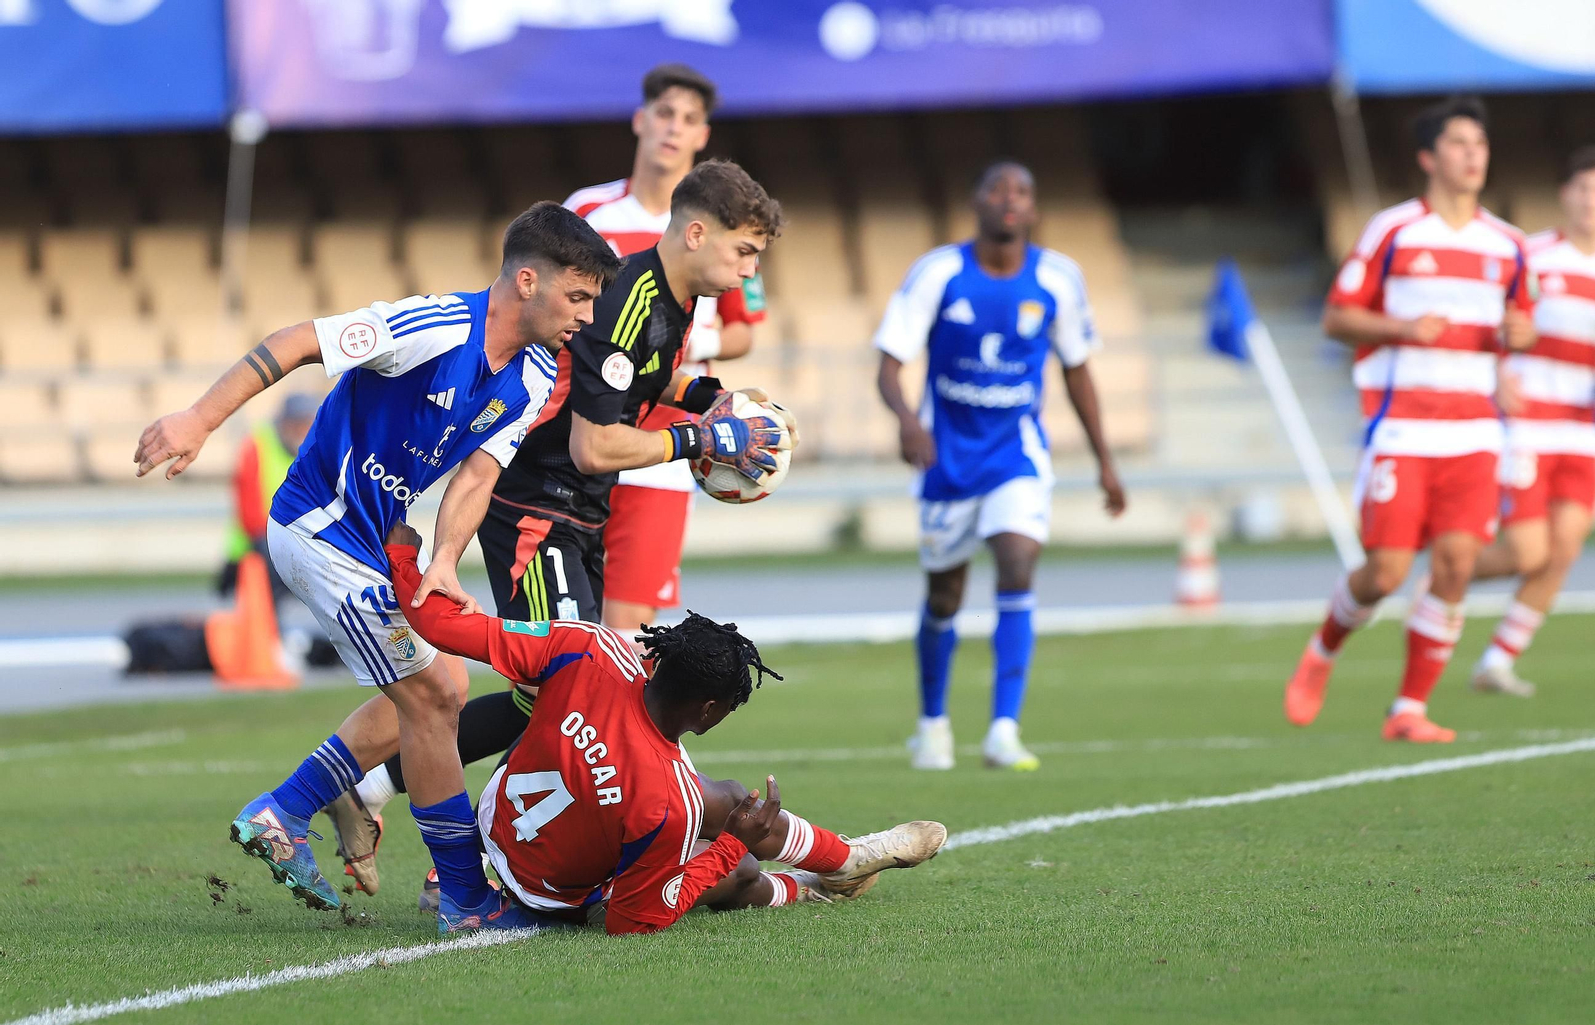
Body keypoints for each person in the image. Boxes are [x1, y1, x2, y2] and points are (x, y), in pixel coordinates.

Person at [133, 202, 622, 931]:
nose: (586, 316)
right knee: (433, 698)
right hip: (316, 528)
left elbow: (477, 475)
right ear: (528, 281)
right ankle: (461, 896)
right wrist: (199, 419)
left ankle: (285, 808)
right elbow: (297, 340)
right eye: (579, 296)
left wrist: (447, 561)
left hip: (372, 543)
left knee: (445, 683)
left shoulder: (533, 373)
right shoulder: (432, 327)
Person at [328, 159, 791, 899]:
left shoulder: (667, 302)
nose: (751, 268)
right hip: (538, 506)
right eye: (745, 250)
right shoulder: (632, 299)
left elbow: (647, 378)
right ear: (698, 232)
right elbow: (595, 445)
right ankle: (465, 862)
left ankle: (375, 787)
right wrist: (701, 442)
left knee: (539, 697)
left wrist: (710, 397)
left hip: (578, 513)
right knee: (567, 694)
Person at [384, 522, 947, 934]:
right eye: (729, 705)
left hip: (499, 818)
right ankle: (809, 887)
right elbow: (633, 920)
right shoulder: (666, 797)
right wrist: (729, 848)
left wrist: (403, 555)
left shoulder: (588, 644)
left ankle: (845, 861)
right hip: (550, 894)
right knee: (738, 866)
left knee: (722, 800)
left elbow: (444, 625)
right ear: (707, 710)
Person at [1283, 96, 1536, 742]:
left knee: (1454, 566)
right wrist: (1401, 327)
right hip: (1404, 427)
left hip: (1475, 432)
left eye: (1479, 144)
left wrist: (1518, 335)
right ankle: (1324, 648)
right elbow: (1337, 317)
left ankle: (1409, 709)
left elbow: (1519, 328)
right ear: (1429, 157)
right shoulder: (1392, 230)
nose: (1472, 155)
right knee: (1388, 572)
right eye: (1458, 143)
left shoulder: (1508, 244)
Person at [874, 161, 1127, 773]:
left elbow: (1077, 370)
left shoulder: (1060, 278)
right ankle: (933, 725)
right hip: (946, 458)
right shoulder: (939, 273)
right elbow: (889, 363)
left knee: (1018, 561)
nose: (1010, 200)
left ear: (1034, 210)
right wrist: (909, 422)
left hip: (1017, 454)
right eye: (998, 189)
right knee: (946, 593)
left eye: (1022, 192)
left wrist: (1105, 462)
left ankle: (1003, 730)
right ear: (977, 203)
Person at [565, 63, 768, 639]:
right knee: (564, 630)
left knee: (626, 630)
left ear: (704, 135)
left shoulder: (725, 229)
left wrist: (680, 347)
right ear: (640, 120)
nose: (674, 129)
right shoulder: (589, 212)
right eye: (664, 114)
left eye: (689, 119)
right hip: (584, 427)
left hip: (667, 438)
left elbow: (744, 331)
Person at [1467, 146, 1595, 696]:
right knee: (1528, 551)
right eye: (1584, 189)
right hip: (1527, 421)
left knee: (1565, 547)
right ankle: (1448, 572)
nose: (1593, 201)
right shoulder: (1533, 255)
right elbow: (1482, 317)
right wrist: (1495, 372)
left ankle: (1496, 661)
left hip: (1582, 427)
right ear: (1564, 194)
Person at [219, 392, 317, 601]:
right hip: (255, 546)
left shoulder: (316, 448)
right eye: (300, 424)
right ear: (287, 423)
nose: (304, 431)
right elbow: (251, 515)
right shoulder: (258, 444)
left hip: (294, 542)